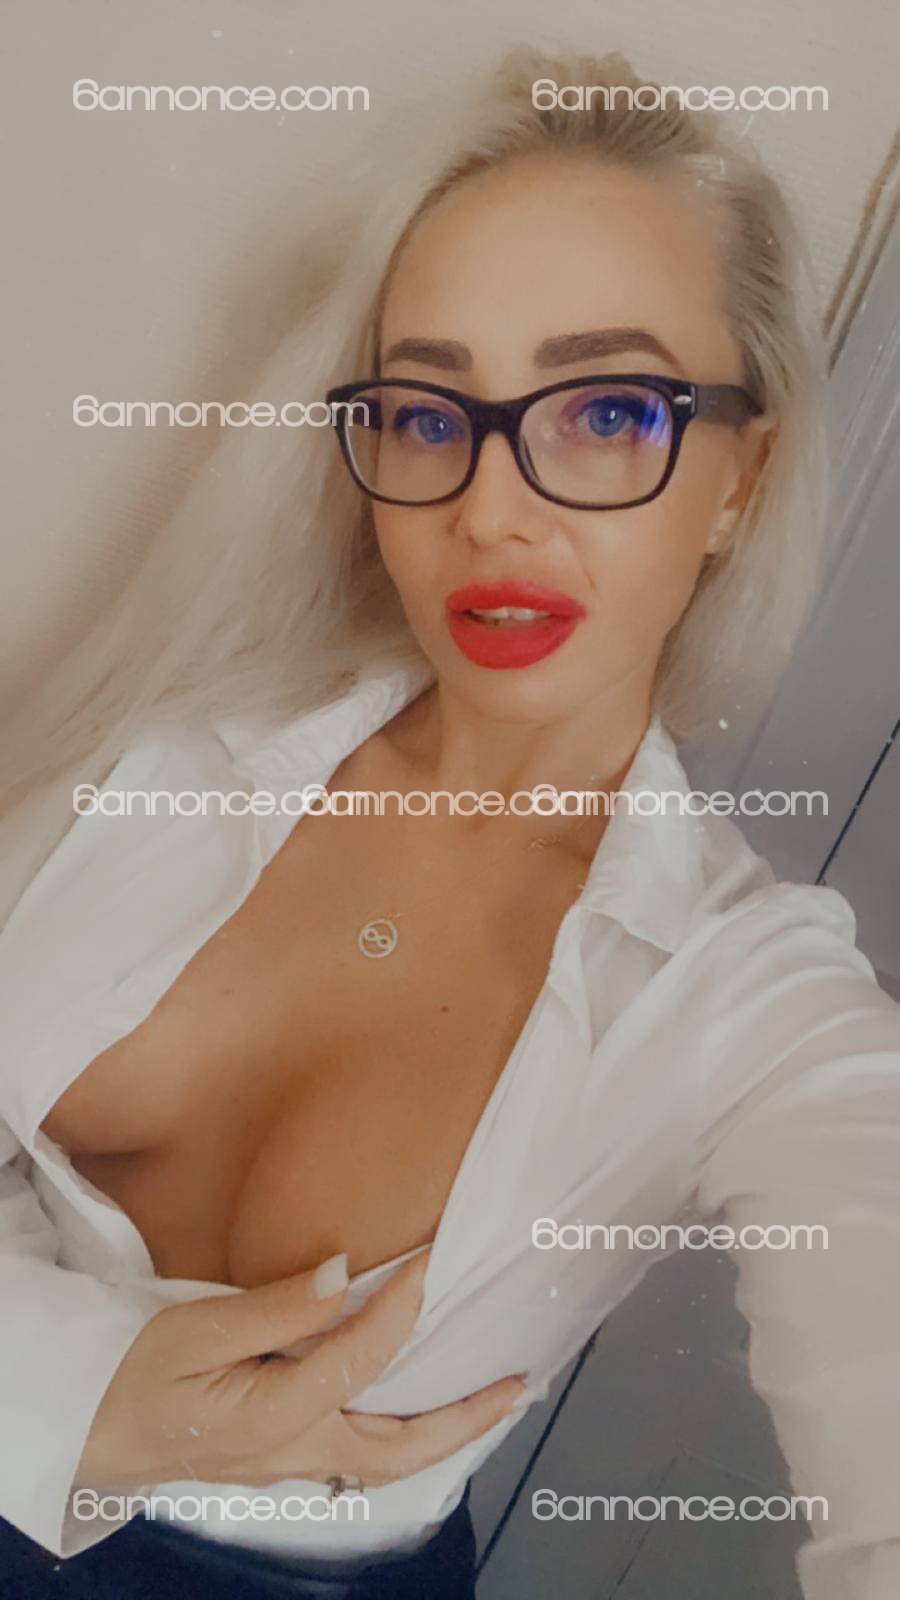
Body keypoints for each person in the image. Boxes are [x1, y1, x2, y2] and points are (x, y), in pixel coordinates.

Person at [1, 43, 898, 1600]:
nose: (491, 508)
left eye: (607, 409)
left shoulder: (747, 1000)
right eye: (428, 416)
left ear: (742, 477)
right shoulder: (171, 747)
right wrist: (84, 1398)